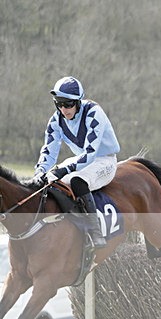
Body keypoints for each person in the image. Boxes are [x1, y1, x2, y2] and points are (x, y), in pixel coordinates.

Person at [33, 76, 120, 248]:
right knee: (49, 183)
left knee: (77, 181)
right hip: (82, 160)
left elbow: (90, 153)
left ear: (78, 102)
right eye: (59, 103)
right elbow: (49, 151)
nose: (64, 109)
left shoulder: (94, 113)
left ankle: (95, 233)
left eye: (68, 104)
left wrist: (61, 171)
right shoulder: (55, 121)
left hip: (104, 161)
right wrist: (40, 172)